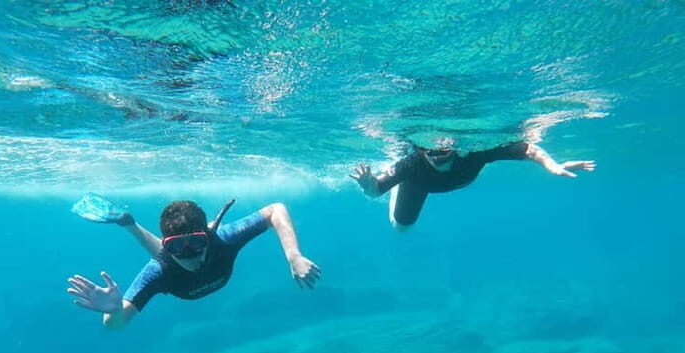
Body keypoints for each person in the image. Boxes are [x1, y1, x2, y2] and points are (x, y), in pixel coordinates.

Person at [67, 197, 320, 329]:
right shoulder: (157, 271)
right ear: (167, 244)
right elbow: (117, 325)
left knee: (174, 260)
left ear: (206, 238)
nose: (189, 255)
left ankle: (132, 224)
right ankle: (129, 224)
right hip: (169, 263)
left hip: (204, 242)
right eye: (176, 246)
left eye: (197, 243)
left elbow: (275, 209)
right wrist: (113, 311)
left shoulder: (223, 239)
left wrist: (294, 255)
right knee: (167, 262)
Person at [350, 141, 596, 229]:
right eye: (427, 149)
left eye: (444, 150)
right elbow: (374, 192)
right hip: (417, 185)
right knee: (402, 228)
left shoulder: (474, 153)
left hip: (449, 180)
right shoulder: (411, 165)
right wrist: (368, 185)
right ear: (419, 149)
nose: (436, 154)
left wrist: (552, 165)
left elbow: (526, 149)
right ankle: (398, 185)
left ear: (456, 148)